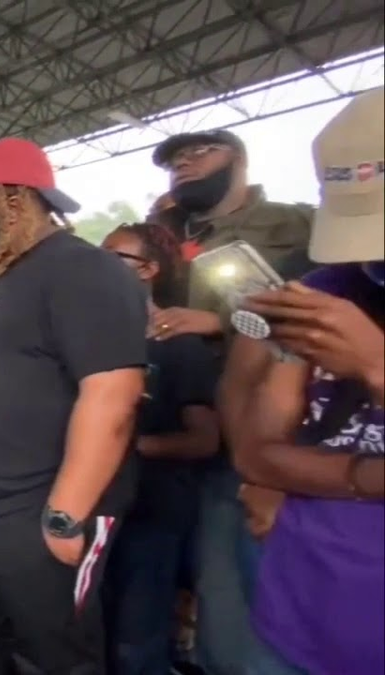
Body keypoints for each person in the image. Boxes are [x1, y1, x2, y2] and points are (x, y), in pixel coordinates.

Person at [0, 138, 147, 674]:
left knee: (53, 656)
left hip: (33, 513)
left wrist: (65, 517)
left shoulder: (83, 270)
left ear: (15, 200)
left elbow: (112, 398)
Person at [148, 127, 314, 674]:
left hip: (253, 427)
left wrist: (218, 321)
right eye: (175, 160)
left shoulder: (295, 223)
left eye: (200, 153)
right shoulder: (165, 232)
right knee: (173, 562)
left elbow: (323, 309)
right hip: (171, 419)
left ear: (239, 161)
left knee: (237, 574)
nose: (184, 164)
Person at [232, 87, 384, 675]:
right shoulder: (328, 290)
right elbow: (257, 453)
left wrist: (374, 364)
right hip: (295, 620)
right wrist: (369, 478)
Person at [99, 222, 222, 674]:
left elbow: (204, 438)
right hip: (96, 507)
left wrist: (123, 446)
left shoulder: (178, 344)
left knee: (137, 639)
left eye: (115, 257)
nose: (99, 265)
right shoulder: (90, 336)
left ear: (148, 269)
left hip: (152, 513)